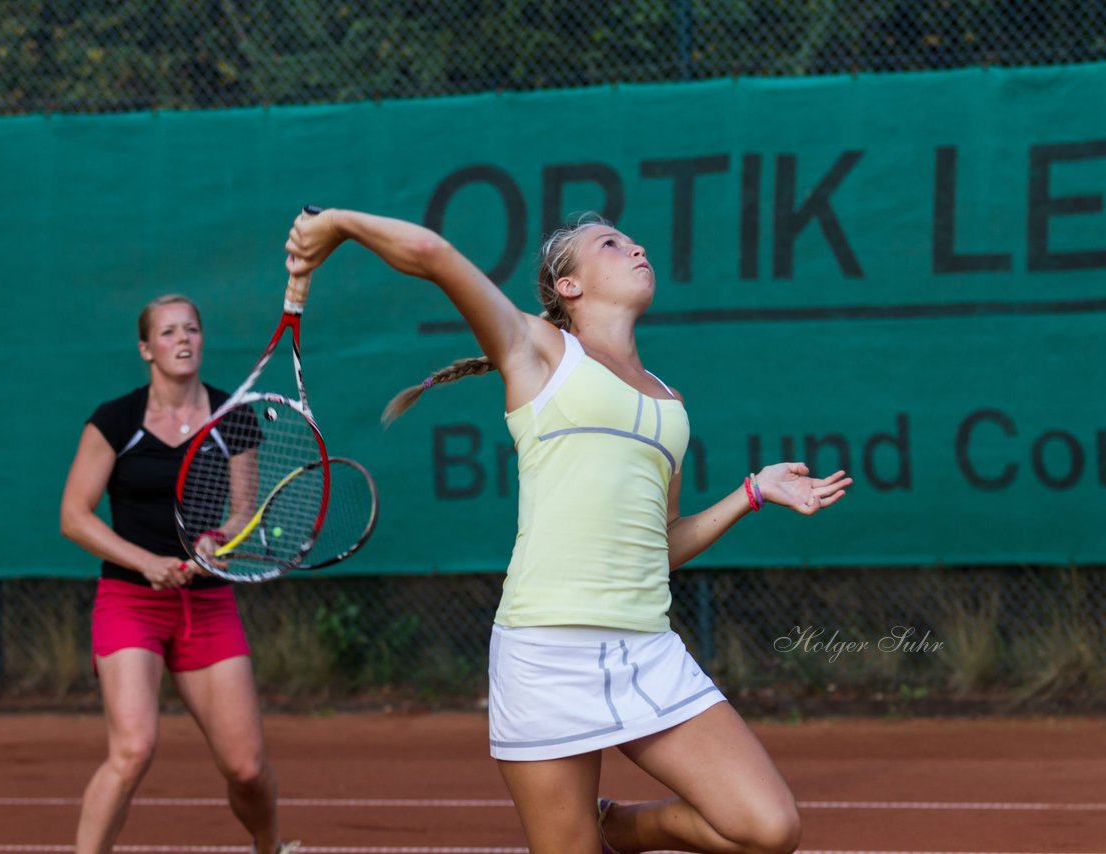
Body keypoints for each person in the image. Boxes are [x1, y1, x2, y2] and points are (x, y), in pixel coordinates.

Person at [284, 208, 852, 854]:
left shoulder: (669, 401)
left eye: (634, 240)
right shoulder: (537, 351)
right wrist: (337, 223)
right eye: (611, 244)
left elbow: (660, 544)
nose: (636, 247)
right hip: (545, 654)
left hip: (646, 650)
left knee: (768, 829)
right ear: (569, 287)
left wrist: (751, 494)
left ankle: (624, 826)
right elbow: (434, 253)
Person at [59, 294, 298, 854]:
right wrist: (146, 563)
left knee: (245, 767)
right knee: (133, 749)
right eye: (167, 333)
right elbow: (74, 515)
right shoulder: (114, 420)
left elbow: (242, 509)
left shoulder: (232, 414)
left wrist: (220, 540)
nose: (182, 339)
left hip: (208, 602)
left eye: (190, 329)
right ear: (146, 348)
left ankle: (271, 847)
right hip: (129, 601)